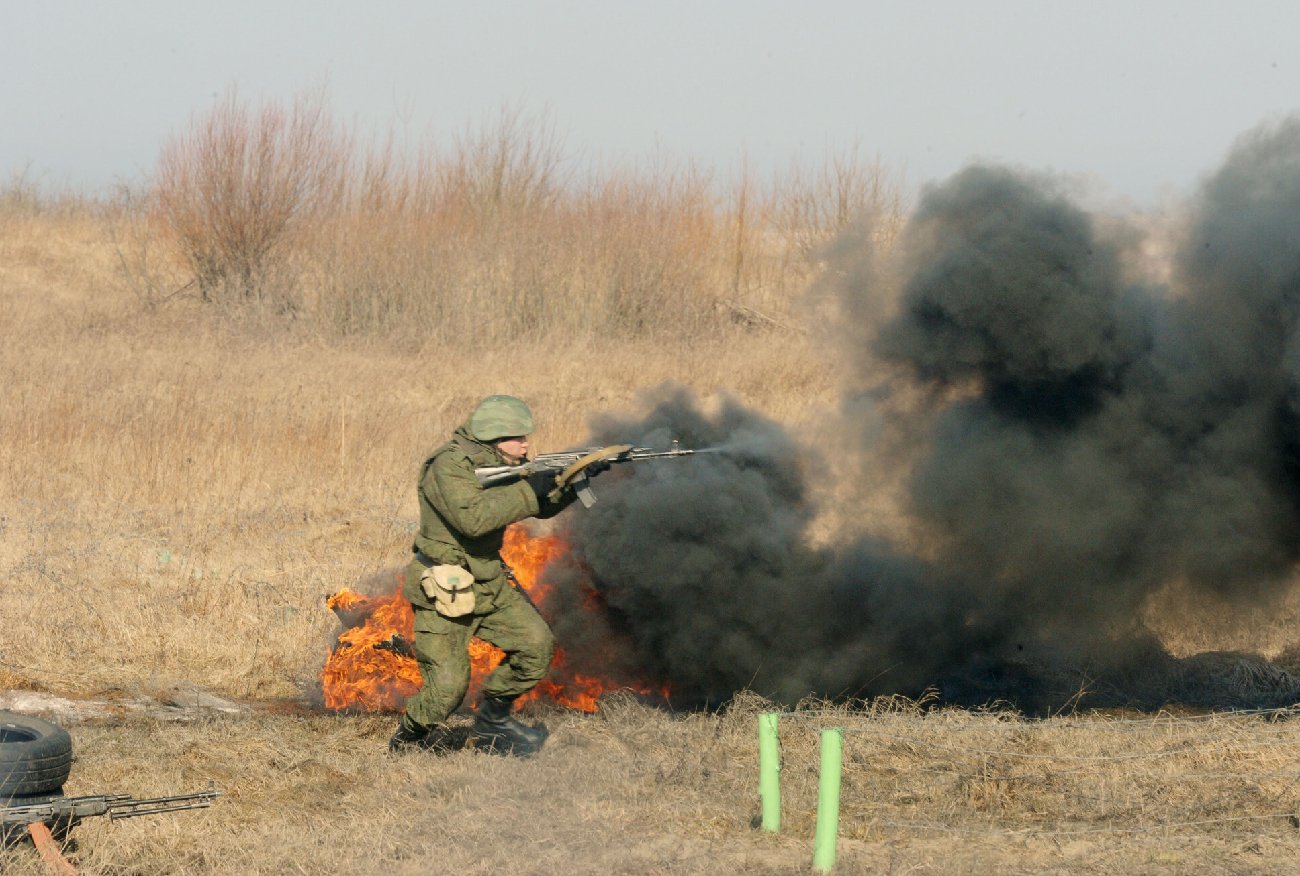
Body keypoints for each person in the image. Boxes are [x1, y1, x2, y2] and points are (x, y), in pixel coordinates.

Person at [388, 394, 602, 755]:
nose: (525, 444)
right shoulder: (449, 466)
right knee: (447, 690)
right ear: (493, 436)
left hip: (488, 581)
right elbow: (474, 520)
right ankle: (408, 737)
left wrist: (572, 483)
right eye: (517, 437)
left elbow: (540, 506)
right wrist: (529, 488)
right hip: (445, 588)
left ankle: (492, 720)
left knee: (536, 647)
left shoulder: (503, 465)